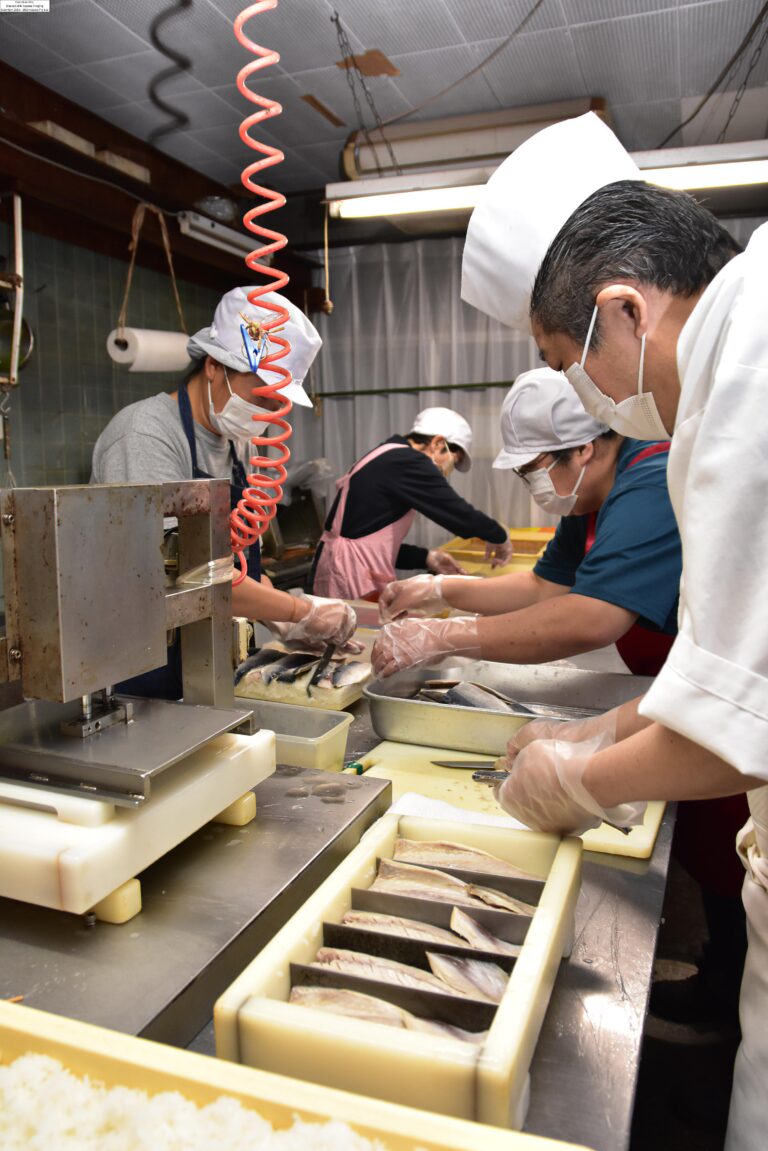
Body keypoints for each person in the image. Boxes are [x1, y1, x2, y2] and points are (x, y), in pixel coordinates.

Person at [460, 111, 765, 1150]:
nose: (586, 393)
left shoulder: (745, 376)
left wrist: (582, 778)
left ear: (622, 311)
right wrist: (599, 730)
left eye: (567, 359)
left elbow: (735, 718)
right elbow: (730, 670)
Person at [91, 286, 357, 697]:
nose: (269, 415)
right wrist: (299, 611)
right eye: (263, 396)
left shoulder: (236, 440)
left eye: (279, 403)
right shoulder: (145, 435)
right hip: (141, 667)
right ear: (214, 366)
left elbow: (234, 555)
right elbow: (180, 573)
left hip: (206, 657)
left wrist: (279, 617)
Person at [373, 367, 680, 679]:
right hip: (655, 673)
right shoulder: (586, 497)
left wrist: (444, 637)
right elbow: (542, 587)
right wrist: (441, 589)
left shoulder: (652, 481)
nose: (530, 484)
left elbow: (593, 618)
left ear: (582, 449)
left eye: (532, 470)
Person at [310, 406, 513, 600]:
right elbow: (456, 513)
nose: (448, 470)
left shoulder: (387, 455)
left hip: (343, 568)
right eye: (453, 459)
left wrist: (425, 557)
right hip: (350, 576)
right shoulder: (407, 461)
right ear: (438, 444)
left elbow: (367, 538)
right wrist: (498, 535)